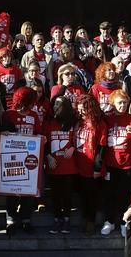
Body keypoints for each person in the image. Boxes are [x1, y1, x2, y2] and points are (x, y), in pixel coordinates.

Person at [101, 90, 131, 238]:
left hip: (129, 164)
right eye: (119, 102)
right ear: (112, 103)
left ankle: (125, 223)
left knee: (125, 195)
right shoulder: (107, 119)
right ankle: (109, 221)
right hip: (111, 164)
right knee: (109, 194)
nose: (123, 105)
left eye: (125, 102)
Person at [1, 87, 41, 235]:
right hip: (12, 159)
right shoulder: (8, 114)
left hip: (30, 160)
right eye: (29, 102)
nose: (31, 105)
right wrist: (3, 134)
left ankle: (26, 220)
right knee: (11, 191)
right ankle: (10, 220)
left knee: (27, 192)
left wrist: (42, 139)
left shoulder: (34, 116)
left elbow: (39, 133)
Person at [74, 94, 108, 235]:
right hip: (78, 165)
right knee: (82, 195)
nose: (81, 112)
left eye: (84, 110)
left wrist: (97, 168)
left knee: (91, 196)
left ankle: (91, 222)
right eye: (79, 109)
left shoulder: (99, 124)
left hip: (92, 167)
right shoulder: (78, 121)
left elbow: (101, 148)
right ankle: (84, 219)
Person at [43, 97, 77, 235]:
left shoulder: (74, 123)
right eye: (55, 104)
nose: (56, 106)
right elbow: (44, 142)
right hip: (53, 166)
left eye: (59, 104)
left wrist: (73, 147)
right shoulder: (49, 123)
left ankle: (67, 220)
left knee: (67, 195)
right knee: (55, 196)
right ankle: (57, 219)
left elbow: (80, 138)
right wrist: (48, 157)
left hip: (69, 166)